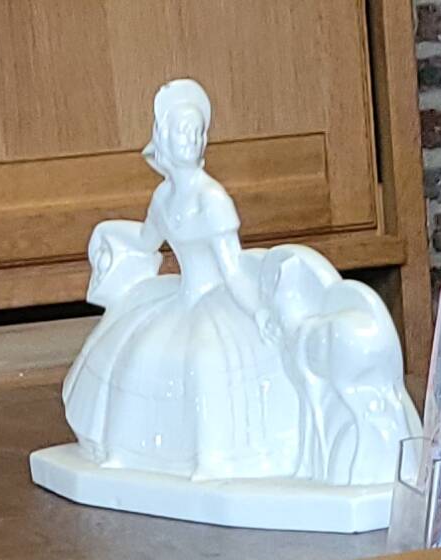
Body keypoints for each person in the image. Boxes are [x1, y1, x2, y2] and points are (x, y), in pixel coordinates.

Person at [61, 79, 307, 482]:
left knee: (205, 362)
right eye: (181, 130)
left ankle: (213, 459)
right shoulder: (162, 198)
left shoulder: (212, 200)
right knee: (139, 355)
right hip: (181, 296)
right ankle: (124, 451)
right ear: (163, 136)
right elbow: (145, 241)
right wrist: (106, 241)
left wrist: (260, 311)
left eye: (196, 132)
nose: (189, 139)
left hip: (217, 298)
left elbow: (231, 269)